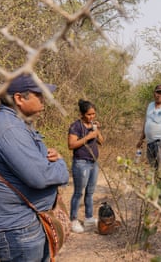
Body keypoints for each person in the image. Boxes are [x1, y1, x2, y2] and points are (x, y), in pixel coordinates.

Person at [0, 74, 69, 262]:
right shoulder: (9, 129)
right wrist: (61, 165)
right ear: (19, 98)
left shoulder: (18, 125)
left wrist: (51, 160)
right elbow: (40, 176)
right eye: (39, 95)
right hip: (18, 229)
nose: (44, 101)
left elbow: (40, 163)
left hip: (25, 225)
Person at [68, 99, 104, 233]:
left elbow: (101, 141)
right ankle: (74, 220)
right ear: (82, 114)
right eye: (89, 114)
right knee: (78, 192)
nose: (92, 117)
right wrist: (88, 137)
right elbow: (71, 145)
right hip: (81, 163)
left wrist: (97, 131)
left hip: (93, 162)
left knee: (90, 192)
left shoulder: (93, 126)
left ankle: (89, 218)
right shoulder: (75, 126)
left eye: (93, 114)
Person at [137, 84, 161, 186]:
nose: (159, 95)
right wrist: (141, 139)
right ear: (154, 93)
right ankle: (156, 195)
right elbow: (146, 122)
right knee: (153, 171)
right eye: (157, 92)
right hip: (150, 143)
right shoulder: (150, 106)